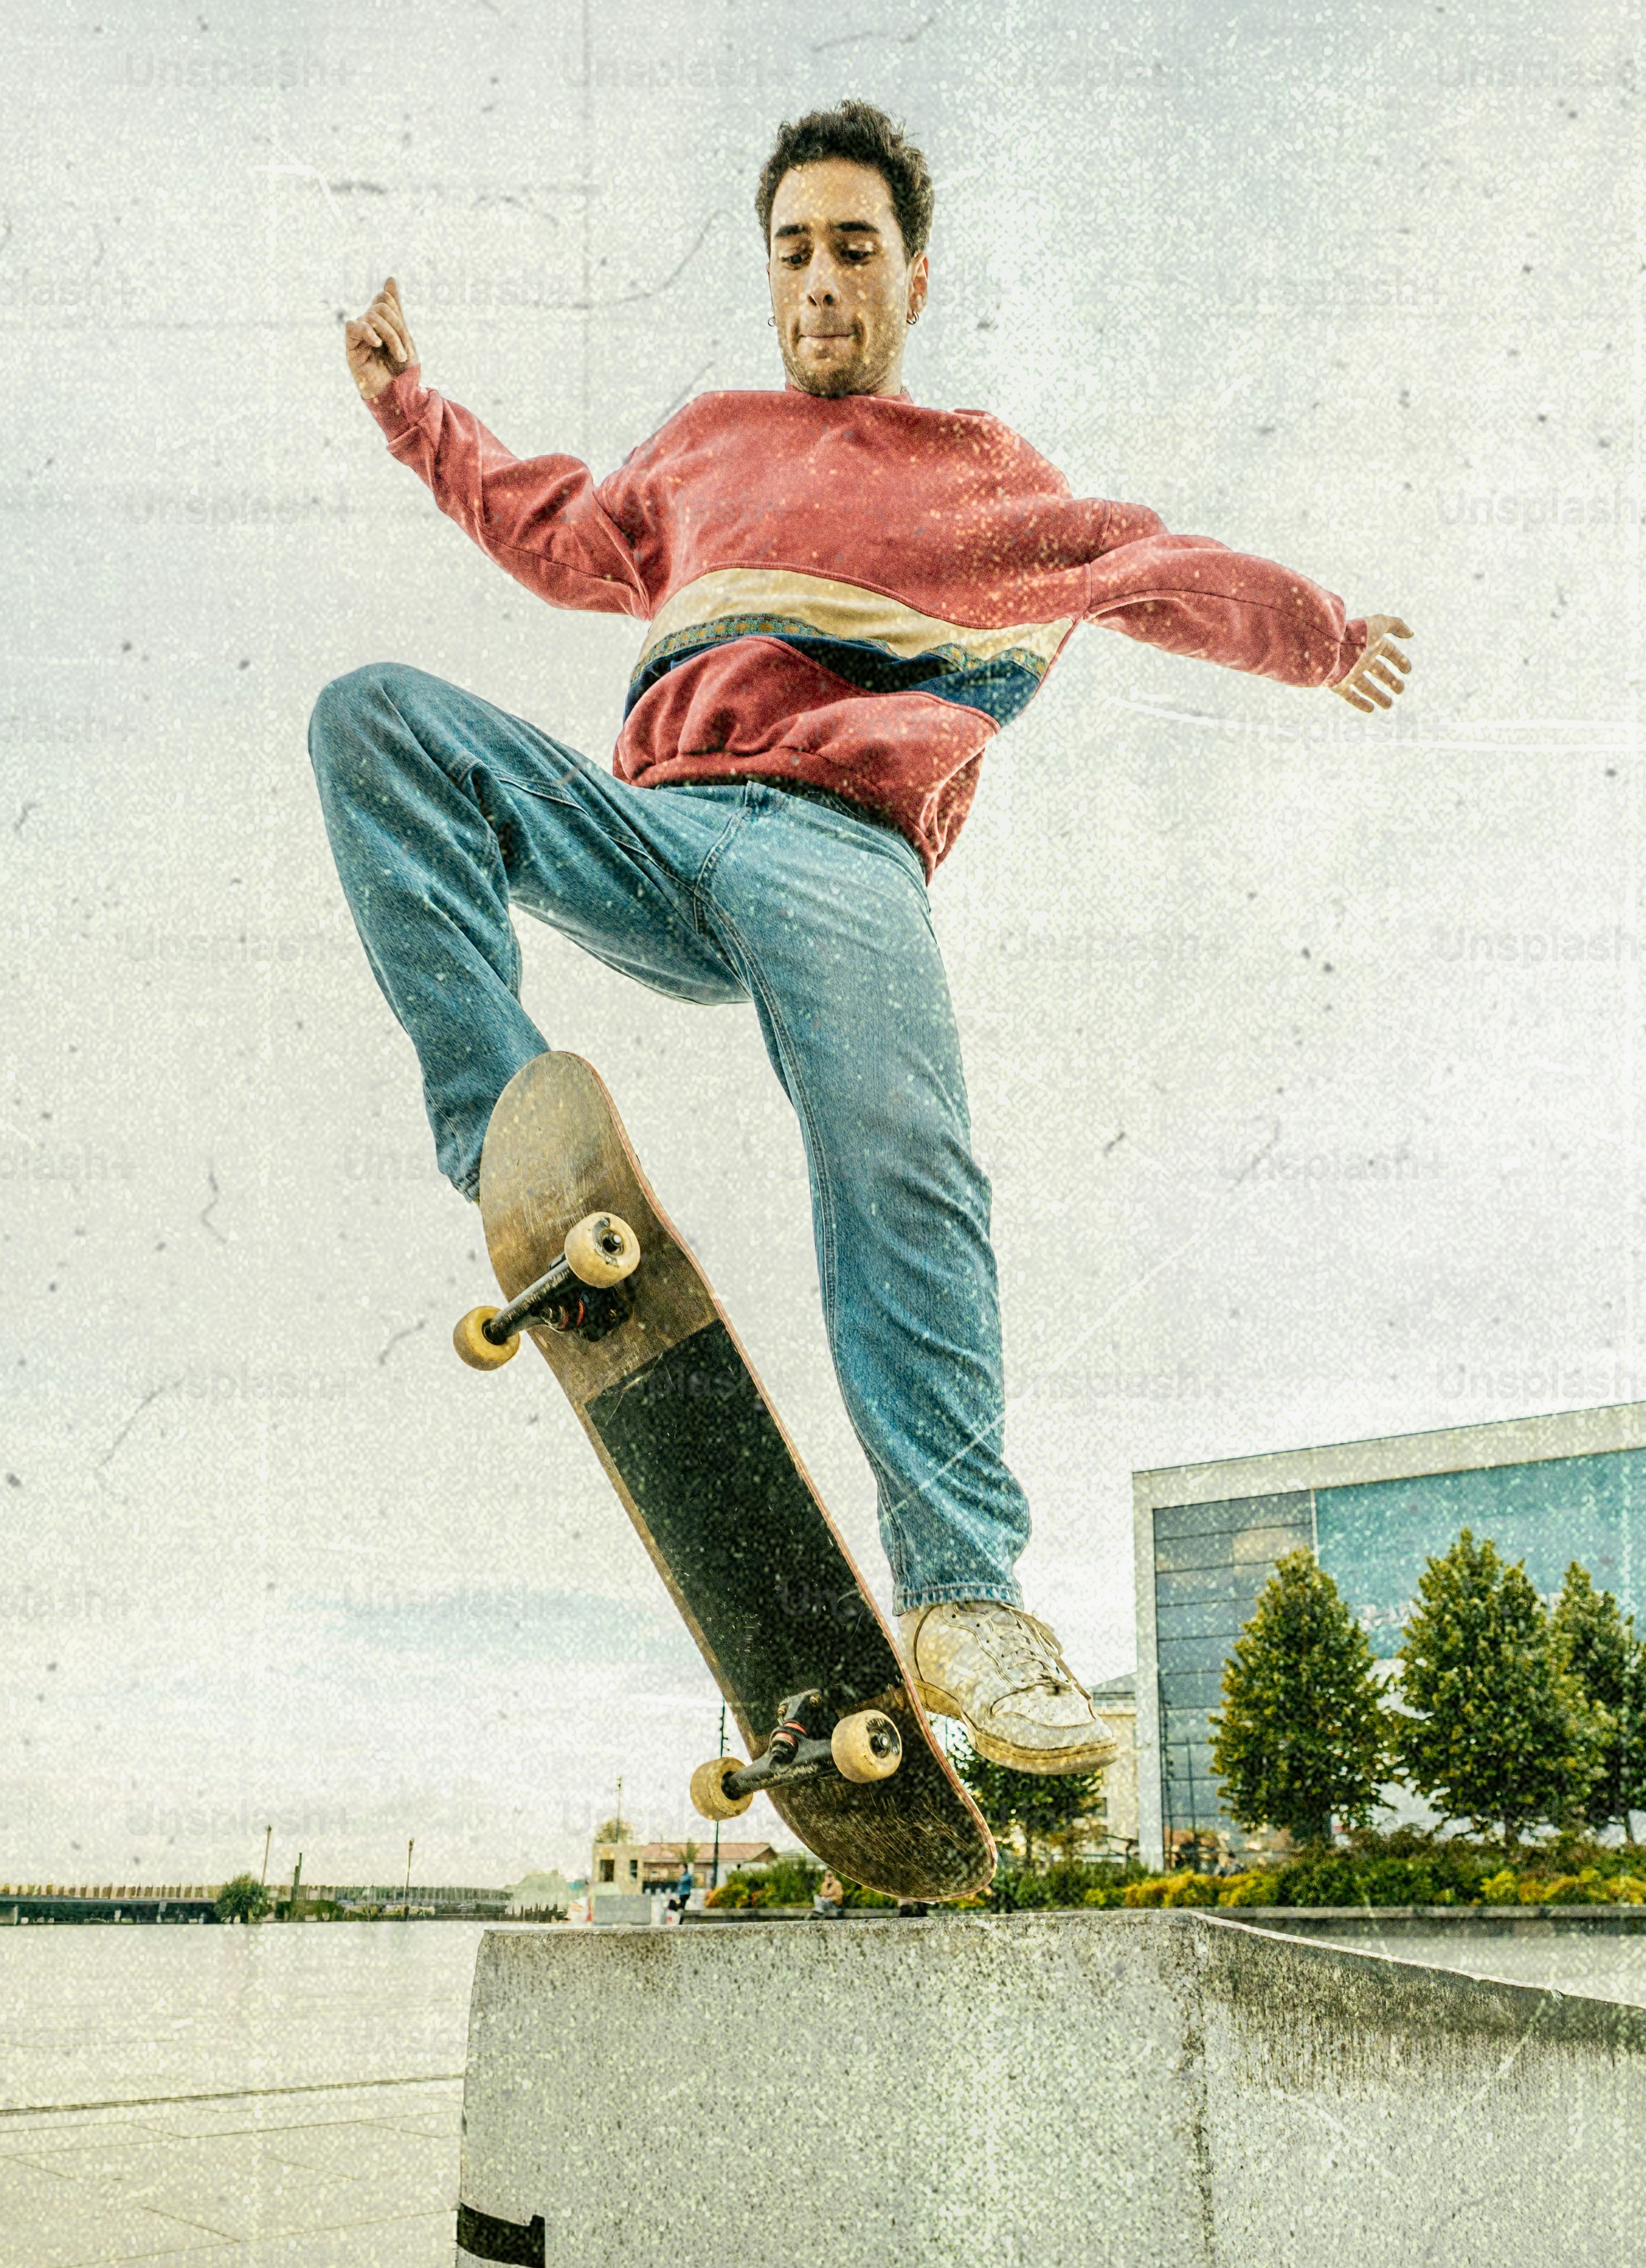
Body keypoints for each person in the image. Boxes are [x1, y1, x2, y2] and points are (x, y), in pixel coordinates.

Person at [312, 99, 1408, 1775]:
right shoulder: (697, 447)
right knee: (377, 721)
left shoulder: (984, 471)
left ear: (911, 274)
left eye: (855, 249)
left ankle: (965, 1598)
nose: (822, 282)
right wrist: (410, 408)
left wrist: (1320, 636)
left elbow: (1154, 565)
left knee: (900, 1153)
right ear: (768, 274)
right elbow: (555, 531)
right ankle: (505, 1136)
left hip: (841, 852)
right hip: (659, 826)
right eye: (793, 252)